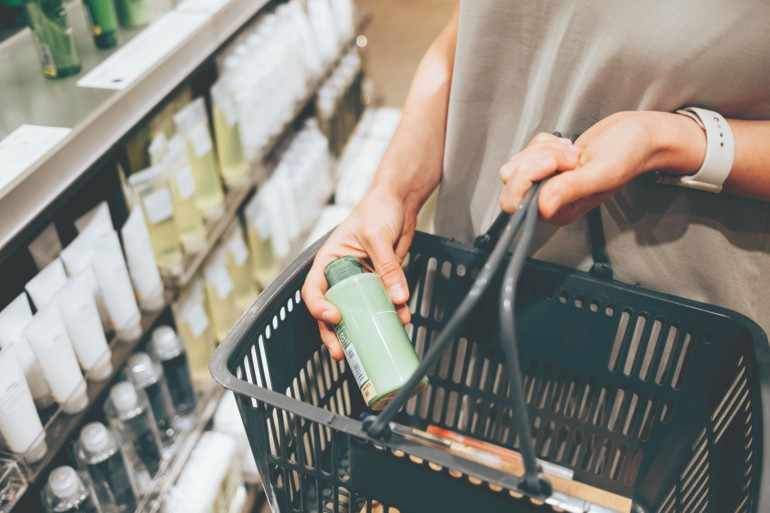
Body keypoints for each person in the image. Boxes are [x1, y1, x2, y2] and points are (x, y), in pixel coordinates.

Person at [303, 2, 770, 360]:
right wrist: (394, 193)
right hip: (476, 276)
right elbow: (466, 41)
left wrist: (670, 139)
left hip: (668, 334)